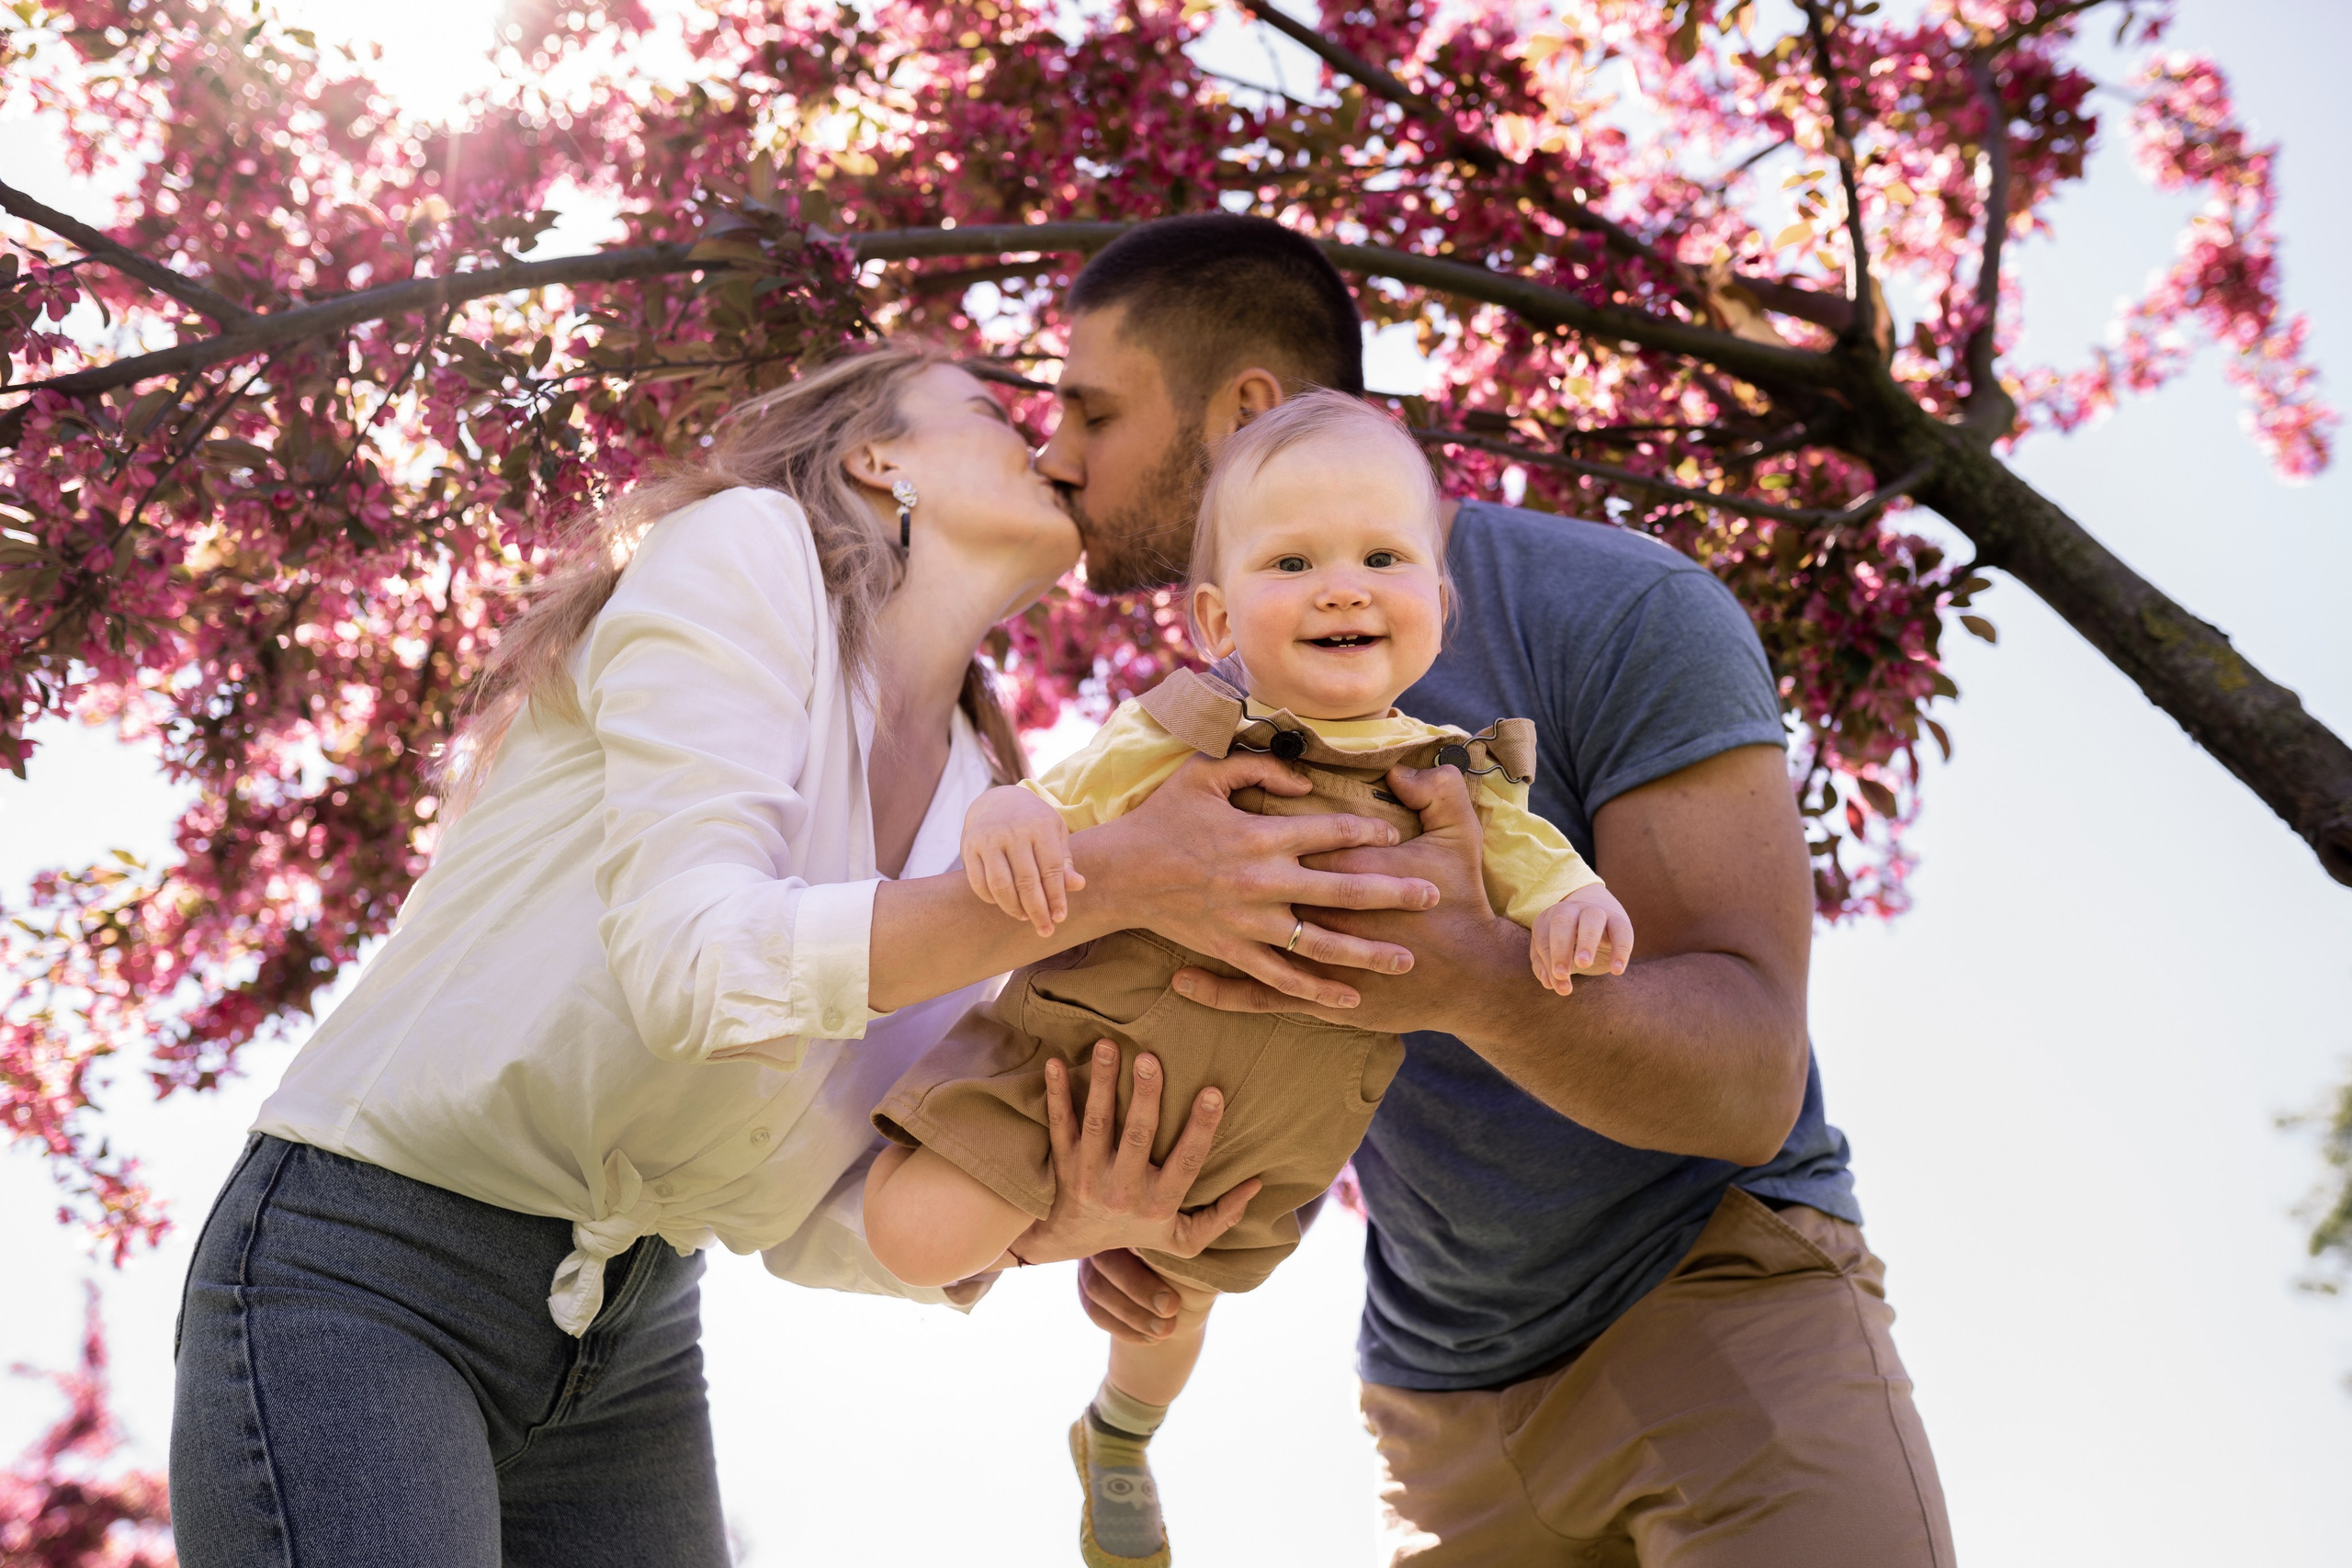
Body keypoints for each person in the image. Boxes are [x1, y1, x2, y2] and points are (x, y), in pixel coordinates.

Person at [165, 341, 1442, 1568]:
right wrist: (1103, 886)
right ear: (884, 457)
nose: (1054, 445)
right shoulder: (745, 549)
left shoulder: (991, 789)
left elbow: (815, 1211)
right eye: (1000, 412)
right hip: (373, 1263)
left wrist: (1056, 1211)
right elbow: (697, 965)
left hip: (635, 1329)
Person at [1036, 215, 1955, 1566]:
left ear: (1246, 414)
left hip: (1714, 1306)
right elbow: (1278, 1055)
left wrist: (1474, 972)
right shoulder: (1203, 732)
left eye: (1094, 412)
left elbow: (1748, 1074)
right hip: (1436, 1421)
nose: (1057, 456)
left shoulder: (1620, 611)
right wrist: (1159, 1212)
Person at [863, 391, 1634, 1566]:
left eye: (1384, 557)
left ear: (1438, 602)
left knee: (1171, 1312)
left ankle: (1121, 1434)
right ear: (1219, 616)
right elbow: (1058, 802)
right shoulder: (1186, 727)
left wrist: (1579, 907)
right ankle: (1065, 1226)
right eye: (1293, 562)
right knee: (914, 1238)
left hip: (1250, 1133)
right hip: (1077, 1070)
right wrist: (1010, 818)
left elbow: (1540, 871)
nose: (1342, 585)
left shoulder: (1459, 783)